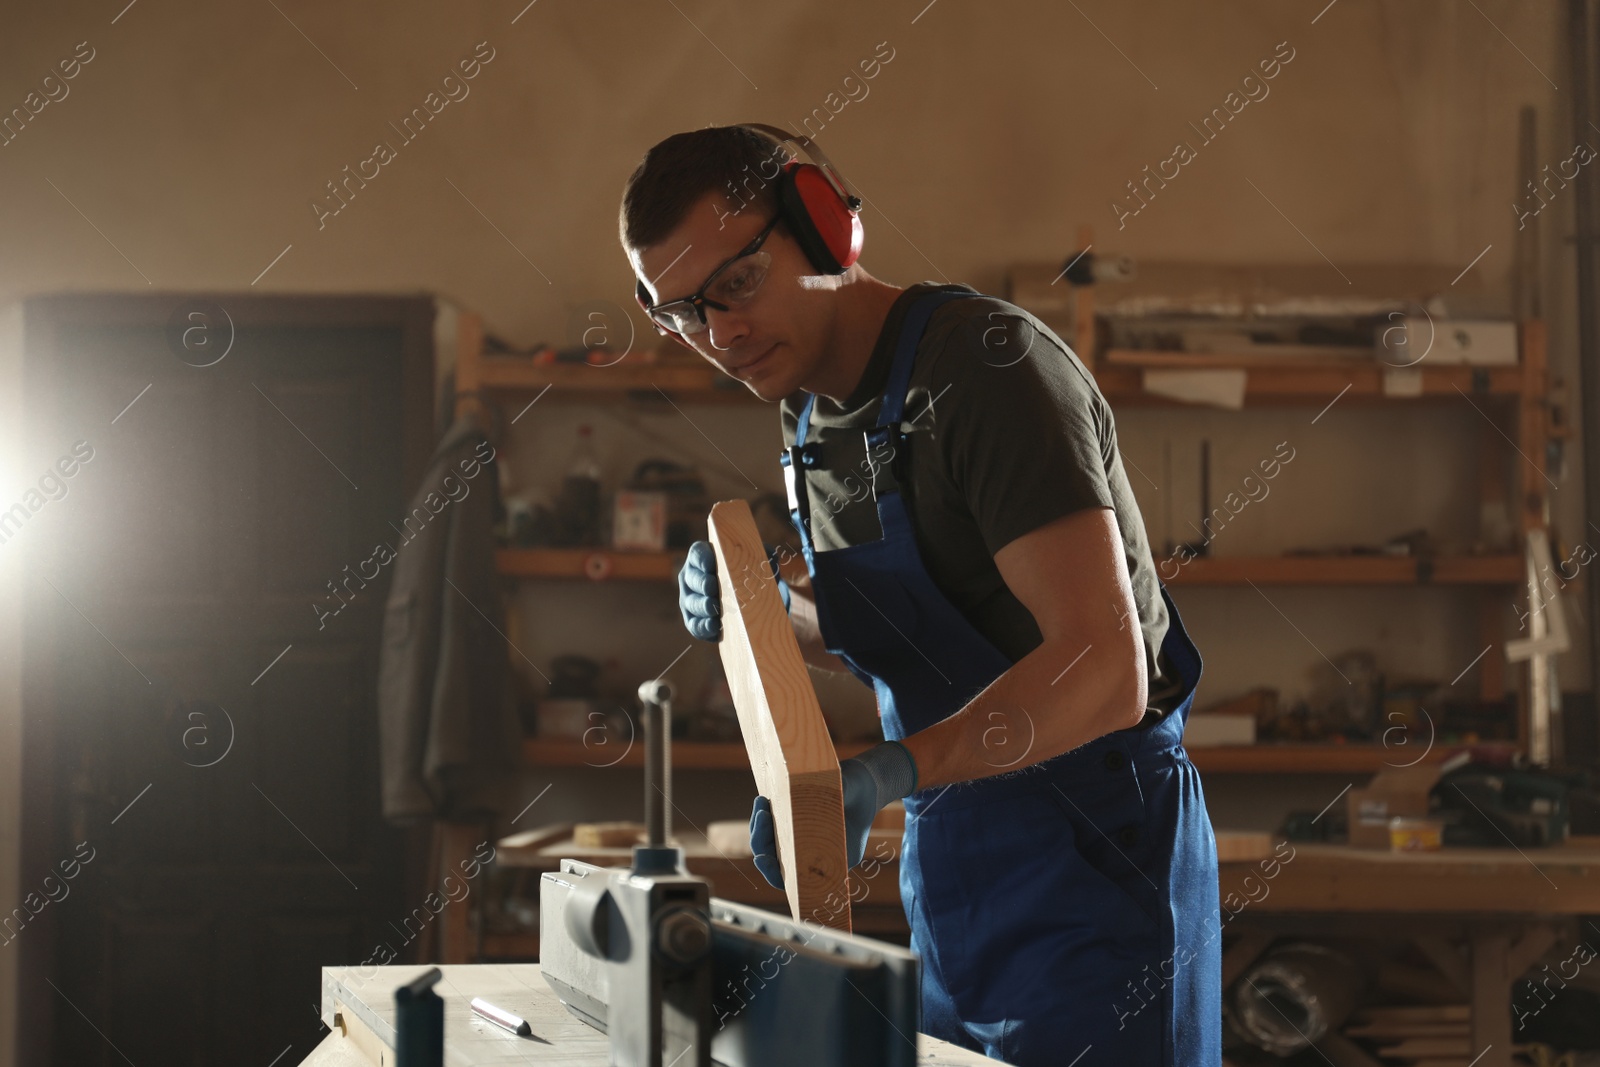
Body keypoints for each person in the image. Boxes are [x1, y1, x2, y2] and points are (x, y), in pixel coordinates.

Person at [619, 123, 1222, 1066]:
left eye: (736, 283)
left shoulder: (987, 368)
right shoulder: (811, 414)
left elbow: (1106, 669)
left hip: (1099, 861)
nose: (721, 334)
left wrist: (889, 770)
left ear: (825, 227)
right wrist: (771, 621)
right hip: (952, 870)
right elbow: (917, 636)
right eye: (682, 313)